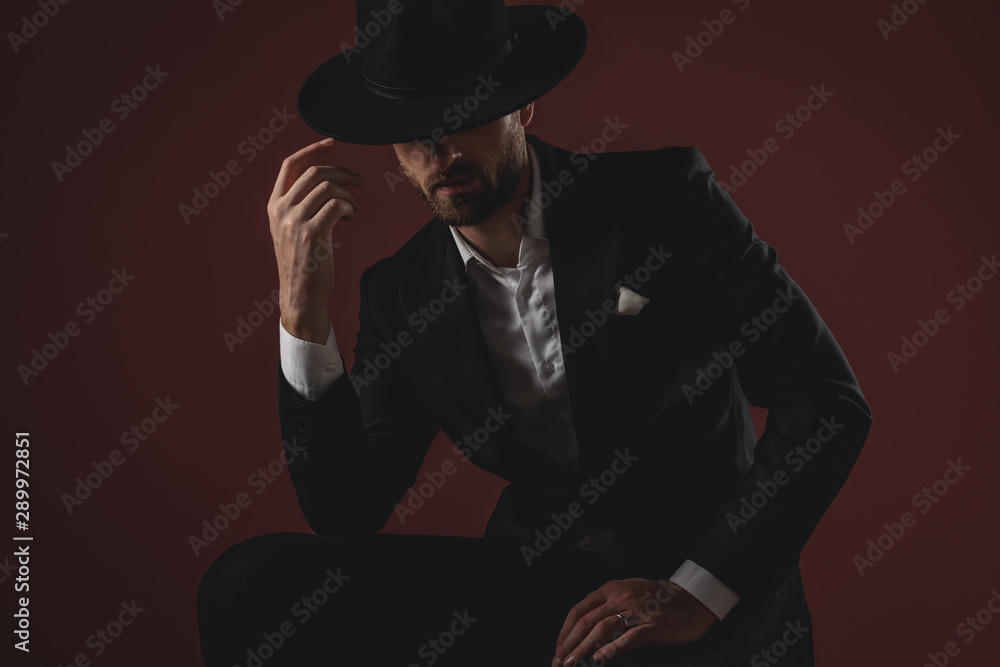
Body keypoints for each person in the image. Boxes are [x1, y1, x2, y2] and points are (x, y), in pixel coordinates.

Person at [196, 1, 872, 665]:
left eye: (462, 113)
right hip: (536, 576)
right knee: (251, 585)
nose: (440, 149)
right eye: (412, 128)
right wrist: (301, 308)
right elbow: (346, 510)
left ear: (521, 105)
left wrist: (699, 588)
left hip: (698, 573)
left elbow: (825, 399)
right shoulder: (401, 292)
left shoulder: (666, 199)